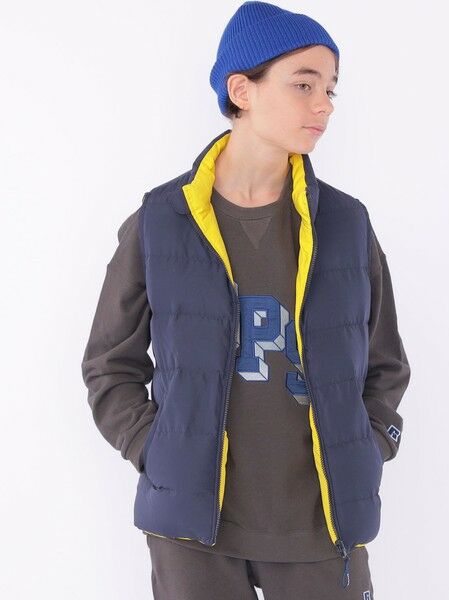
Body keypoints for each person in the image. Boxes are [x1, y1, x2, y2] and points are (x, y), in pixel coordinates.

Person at [81, 2, 411, 598]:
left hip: (322, 528)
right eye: (304, 84)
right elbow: (109, 365)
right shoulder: (161, 221)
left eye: (330, 88)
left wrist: (370, 445)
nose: (324, 105)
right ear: (242, 90)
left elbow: (386, 363)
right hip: (193, 536)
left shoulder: (346, 224)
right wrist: (153, 449)